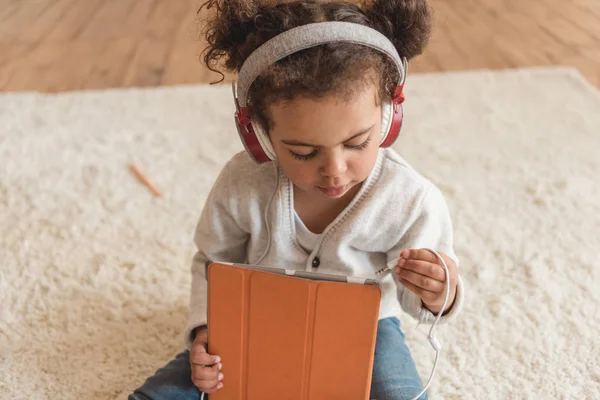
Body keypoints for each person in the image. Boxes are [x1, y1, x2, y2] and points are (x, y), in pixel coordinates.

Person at [129, 0, 465, 399]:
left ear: (391, 117)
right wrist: (207, 331)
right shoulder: (242, 183)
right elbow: (212, 263)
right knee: (179, 386)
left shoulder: (410, 198)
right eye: (304, 152)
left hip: (367, 325)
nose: (335, 170)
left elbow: (420, 301)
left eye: (357, 143)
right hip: (258, 313)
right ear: (258, 134)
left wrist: (439, 290)